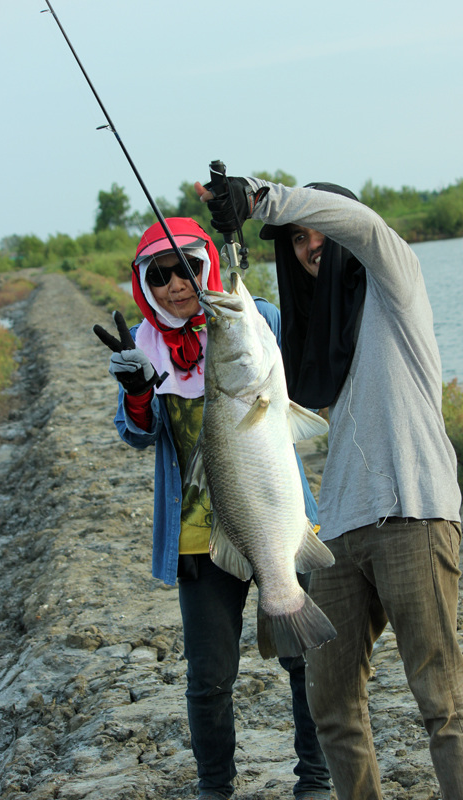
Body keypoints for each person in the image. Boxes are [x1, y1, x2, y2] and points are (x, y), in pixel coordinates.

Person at [195, 176, 463, 800]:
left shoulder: (396, 282)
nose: (310, 246)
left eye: (318, 231)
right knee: (329, 702)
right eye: (297, 240)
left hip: (414, 515)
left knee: (441, 701)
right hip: (338, 528)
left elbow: (356, 224)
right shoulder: (313, 335)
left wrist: (260, 199)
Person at [93, 216, 331, 800]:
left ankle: (317, 779)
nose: (178, 284)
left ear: (211, 267)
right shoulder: (142, 350)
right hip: (200, 544)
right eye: (162, 275)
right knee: (208, 678)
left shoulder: (258, 321)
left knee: (307, 669)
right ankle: (214, 788)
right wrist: (139, 393)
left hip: (280, 518)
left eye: (190, 268)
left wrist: (243, 230)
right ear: (146, 285)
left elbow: (303, 321)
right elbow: (138, 435)